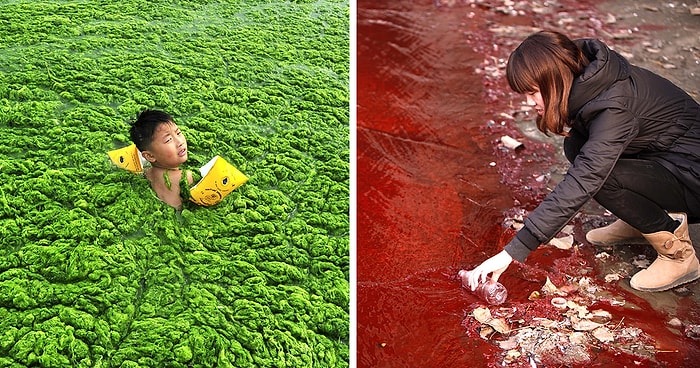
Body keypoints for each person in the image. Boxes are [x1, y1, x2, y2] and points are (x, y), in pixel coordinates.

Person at [466, 30, 700, 293]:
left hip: (693, 177)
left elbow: (585, 178)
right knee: (577, 146)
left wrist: (514, 250)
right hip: (668, 159)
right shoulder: (590, 79)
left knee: (600, 175)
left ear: (555, 80)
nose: (529, 102)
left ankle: (678, 254)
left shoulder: (614, 107)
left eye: (533, 93)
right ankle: (642, 220)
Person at [129, 109, 194, 210]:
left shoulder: (145, 174)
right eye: (168, 140)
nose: (179, 142)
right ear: (149, 156)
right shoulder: (186, 178)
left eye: (178, 133)